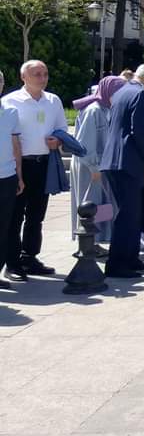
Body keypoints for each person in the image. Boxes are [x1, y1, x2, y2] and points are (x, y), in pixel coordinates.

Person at [2, 60, 68, 279]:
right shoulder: (11, 101)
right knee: (14, 217)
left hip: (44, 162)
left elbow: (61, 129)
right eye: (37, 74)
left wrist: (57, 140)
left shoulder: (53, 101)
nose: (42, 78)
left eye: (45, 73)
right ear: (24, 77)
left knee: (36, 215)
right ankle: (12, 263)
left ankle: (30, 256)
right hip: (19, 166)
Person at [100, 64, 144, 278]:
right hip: (128, 161)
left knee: (130, 213)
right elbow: (139, 130)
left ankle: (131, 258)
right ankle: (117, 264)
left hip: (113, 160)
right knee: (127, 215)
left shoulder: (121, 92)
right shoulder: (142, 94)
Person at [70, 76, 127, 255]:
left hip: (101, 166)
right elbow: (84, 143)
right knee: (89, 204)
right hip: (90, 167)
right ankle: (86, 243)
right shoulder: (93, 110)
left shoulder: (108, 109)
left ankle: (96, 240)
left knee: (101, 205)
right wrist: (94, 167)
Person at [0, 74, 23, 289]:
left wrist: (19, 175)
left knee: (3, 227)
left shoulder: (10, 112)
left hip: (6, 177)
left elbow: (16, 144)